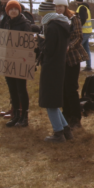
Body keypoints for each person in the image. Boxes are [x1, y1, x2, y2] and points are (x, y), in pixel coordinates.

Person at [38, 10, 74, 143]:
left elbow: (48, 49)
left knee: (50, 101)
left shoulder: (52, 28)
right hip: (59, 66)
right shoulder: (63, 26)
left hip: (51, 67)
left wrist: (40, 42)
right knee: (53, 99)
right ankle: (65, 129)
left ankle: (58, 133)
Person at [54, 0, 89, 129]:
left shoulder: (74, 19)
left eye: (60, 6)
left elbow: (79, 37)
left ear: (65, 7)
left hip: (72, 58)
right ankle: (66, 115)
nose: (58, 9)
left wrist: (69, 46)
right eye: (56, 7)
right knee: (62, 88)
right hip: (59, 59)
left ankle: (76, 117)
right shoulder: (54, 20)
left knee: (71, 88)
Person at [1, 0, 33, 128]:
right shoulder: (6, 24)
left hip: (20, 62)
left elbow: (29, 42)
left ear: (19, 10)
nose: (13, 11)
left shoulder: (25, 24)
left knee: (21, 89)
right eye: (11, 9)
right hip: (9, 61)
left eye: (15, 9)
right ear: (7, 12)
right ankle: (16, 116)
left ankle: (24, 117)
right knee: (12, 89)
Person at [75, 0, 93, 71]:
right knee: (86, 49)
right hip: (88, 31)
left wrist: (78, 27)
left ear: (76, 0)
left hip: (83, 31)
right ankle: (88, 66)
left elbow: (83, 19)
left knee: (76, 48)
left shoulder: (81, 8)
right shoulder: (86, 7)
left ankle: (76, 66)